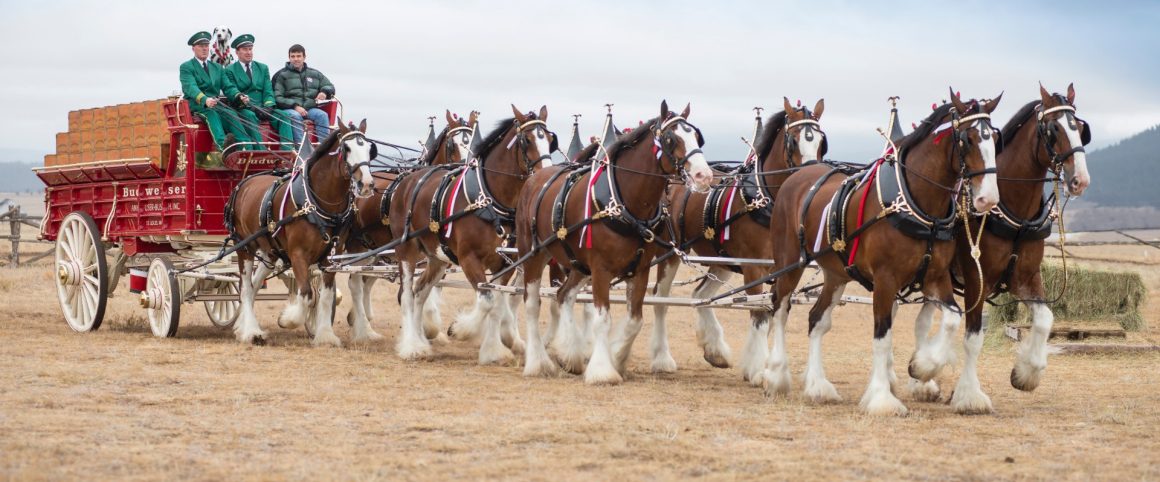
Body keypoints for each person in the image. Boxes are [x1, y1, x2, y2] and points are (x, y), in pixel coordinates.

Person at [178, 31, 251, 153]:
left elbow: (228, 87)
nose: (205, 49)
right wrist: (204, 99)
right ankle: (224, 147)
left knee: (231, 114)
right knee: (211, 114)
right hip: (198, 105)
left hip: (216, 104)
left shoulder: (217, 67)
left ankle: (245, 147)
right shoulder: (187, 67)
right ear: (193, 48)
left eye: (206, 46)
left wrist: (239, 96)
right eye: (201, 46)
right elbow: (190, 87)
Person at [224, 34, 294, 150]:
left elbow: (268, 90)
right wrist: (249, 106)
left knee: (284, 116)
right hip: (244, 108)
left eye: (250, 49)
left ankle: (288, 153)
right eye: (245, 49)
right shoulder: (229, 70)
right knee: (250, 116)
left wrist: (268, 107)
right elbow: (232, 91)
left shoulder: (263, 68)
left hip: (263, 107)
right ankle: (260, 152)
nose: (249, 52)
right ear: (237, 52)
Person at [272, 44, 335, 144]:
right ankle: (302, 150)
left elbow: (329, 86)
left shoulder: (315, 74)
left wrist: (324, 92)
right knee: (295, 116)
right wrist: (295, 106)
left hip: (310, 109)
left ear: (304, 57)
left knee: (322, 115)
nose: (296, 59)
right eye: (293, 56)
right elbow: (277, 97)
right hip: (290, 109)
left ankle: (325, 149)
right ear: (289, 58)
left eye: (298, 56)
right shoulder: (281, 75)